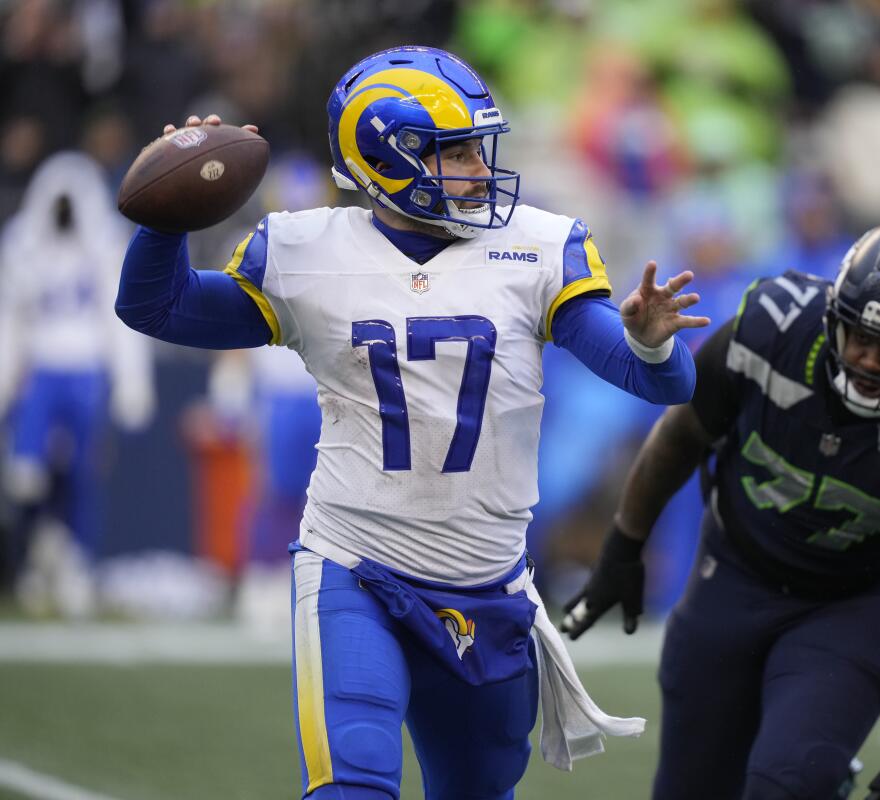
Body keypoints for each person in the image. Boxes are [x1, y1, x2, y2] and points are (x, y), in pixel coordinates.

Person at [116, 46, 709, 800]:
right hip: (356, 567)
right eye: (453, 150)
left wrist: (652, 343)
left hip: (488, 585)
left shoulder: (535, 245)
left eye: (475, 146)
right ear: (385, 158)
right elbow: (156, 307)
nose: (477, 166)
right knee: (353, 786)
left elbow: (658, 381)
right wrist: (168, 217)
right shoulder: (305, 252)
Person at [563, 219, 880, 800]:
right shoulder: (772, 327)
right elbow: (684, 433)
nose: (869, 359)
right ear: (835, 312)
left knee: (787, 783)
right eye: (859, 335)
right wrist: (622, 549)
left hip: (856, 602)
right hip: (734, 571)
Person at [0, 151, 155, 616]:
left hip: (87, 370)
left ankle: (73, 563)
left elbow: (121, 319)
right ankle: (34, 555)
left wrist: (132, 382)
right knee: (25, 476)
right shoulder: (23, 245)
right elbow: (11, 321)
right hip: (41, 370)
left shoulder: (105, 245)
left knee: (83, 474)